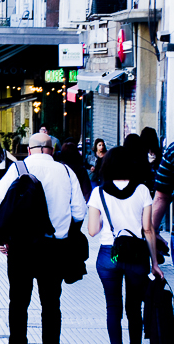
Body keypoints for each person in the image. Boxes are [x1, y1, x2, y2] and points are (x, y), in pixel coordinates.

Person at [0, 132, 87, 344]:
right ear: (53, 150)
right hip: (54, 248)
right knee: (51, 304)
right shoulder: (66, 171)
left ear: (29, 150)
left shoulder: (17, 169)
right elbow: (79, 211)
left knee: (18, 301)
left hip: (20, 247)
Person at [87, 146, 164, 344]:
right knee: (134, 308)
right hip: (136, 255)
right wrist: (155, 263)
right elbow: (148, 229)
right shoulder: (142, 190)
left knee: (113, 307)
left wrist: (106, 217)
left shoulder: (98, 192)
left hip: (109, 255)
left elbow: (92, 230)